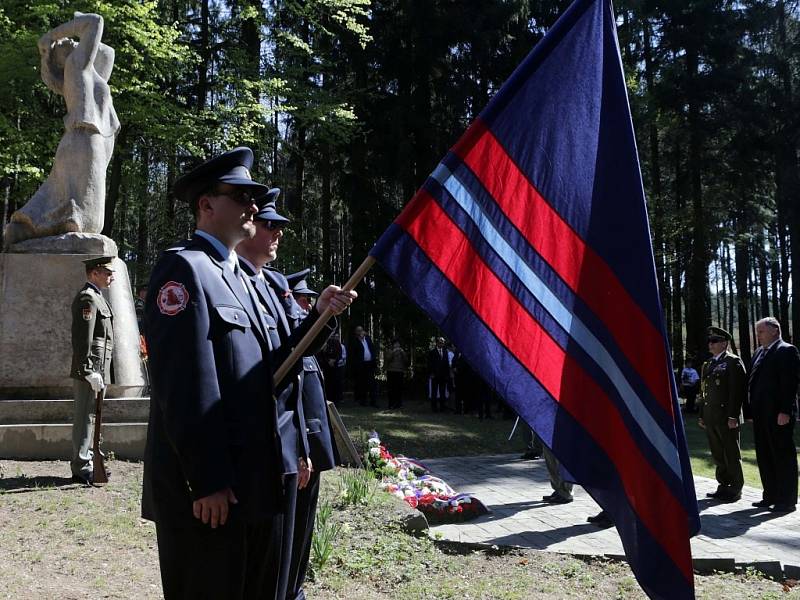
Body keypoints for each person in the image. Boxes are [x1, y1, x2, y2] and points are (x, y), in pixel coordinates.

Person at [141, 147, 354, 599]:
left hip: (254, 484)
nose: (253, 207)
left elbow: (278, 368)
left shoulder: (249, 277)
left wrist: (321, 315)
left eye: (254, 198)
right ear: (207, 205)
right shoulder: (185, 269)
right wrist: (209, 479)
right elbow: (185, 387)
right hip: (211, 493)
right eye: (241, 196)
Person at [237, 198, 346, 600]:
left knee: (288, 557)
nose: (277, 232)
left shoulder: (275, 284)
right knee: (263, 562)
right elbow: (264, 374)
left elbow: (297, 364)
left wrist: (321, 313)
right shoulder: (227, 280)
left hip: (287, 444)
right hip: (256, 447)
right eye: (268, 224)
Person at [6, 12, 120, 246]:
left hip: (84, 142)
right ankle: (31, 229)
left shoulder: (91, 76)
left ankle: (25, 228)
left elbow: (108, 53)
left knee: (82, 214)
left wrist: (70, 27)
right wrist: (51, 37)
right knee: (88, 220)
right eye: (67, 44)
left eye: (75, 41)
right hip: (84, 140)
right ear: (62, 59)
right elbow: (95, 22)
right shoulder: (76, 67)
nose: (71, 41)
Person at [69, 255, 115, 485]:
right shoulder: (88, 298)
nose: (111, 277)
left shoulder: (98, 298)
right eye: (107, 273)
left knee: (93, 416)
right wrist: (87, 370)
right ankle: (81, 465)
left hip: (99, 368)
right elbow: (82, 338)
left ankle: (89, 460)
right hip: (91, 368)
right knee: (85, 417)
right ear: (94, 273)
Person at [748, 317, 800, 513]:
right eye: (757, 331)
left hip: (778, 414)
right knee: (765, 455)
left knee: (782, 455)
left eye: (761, 331)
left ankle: (786, 500)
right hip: (761, 414)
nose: (758, 335)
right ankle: (769, 495)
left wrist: (785, 411)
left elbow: (790, 384)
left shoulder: (786, 350)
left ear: (775, 331)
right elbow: (753, 383)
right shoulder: (759, 353)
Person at [697, 326, 746, 502]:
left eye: (714, 341)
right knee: (718, 453)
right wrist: (702, 414)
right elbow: (704, 392)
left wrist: (733, 416)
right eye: (710, 341)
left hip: (727, 417)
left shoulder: (733, 362)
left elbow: (737, 391)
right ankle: (723, 485)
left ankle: (735, 488)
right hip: (711, 416)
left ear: (724, 343)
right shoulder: (709, 364)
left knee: (731, 453)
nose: (710, 344)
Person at [349, 325, 378, 407]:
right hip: (361, 366)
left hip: (370, 364)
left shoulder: (368, 339)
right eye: (358, 330)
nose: (360, 332)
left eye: (361, 330)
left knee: (372, 384)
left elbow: (372, 349)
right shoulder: (355, 341)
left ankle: (373, 402)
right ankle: (363, 401)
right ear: (356, 332)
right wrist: (359, 339)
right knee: (362, 384)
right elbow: (353, 353)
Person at [321, 333, 346, 405]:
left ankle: (336, 401)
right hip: (327, 366)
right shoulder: (324, 342)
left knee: (336, 383)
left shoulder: (336, 343)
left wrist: (334, 360)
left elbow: (339, 353)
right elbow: (322, 354)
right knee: (328, 384)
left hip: (335, 366)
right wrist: (328, 361)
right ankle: (328, 400)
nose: (331, 336)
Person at [427, 337, 451, 412]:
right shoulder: (432, 352)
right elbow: (429, 364)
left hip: (443, 376)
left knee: (442, 392)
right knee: (434, 392)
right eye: (441, 342)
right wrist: (431, 373)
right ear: (437, 343)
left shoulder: (445, 352)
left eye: (443, 342)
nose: (442, 344)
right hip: (435, 375)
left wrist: (447, 375)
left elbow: (447, 364)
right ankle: (434, 408)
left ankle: (442, 408)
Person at [385, 339, 409, 409]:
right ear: (393, 345)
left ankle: (399, 404)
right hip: (391, 371)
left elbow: (406, 361)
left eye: (398, 344)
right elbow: (388, 359)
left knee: (399, 388)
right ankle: (391, 404)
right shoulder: (389, 350)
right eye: (396, 344)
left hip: (400, 371)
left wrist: (403, 352)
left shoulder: (402, 351)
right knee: (391, 388)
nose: (397, 345)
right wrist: (393, 352)